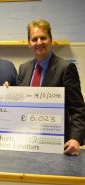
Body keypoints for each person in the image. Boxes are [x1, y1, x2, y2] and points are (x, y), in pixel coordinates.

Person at [18, 19, 85, 155]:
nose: (39, 42)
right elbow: (20, 105)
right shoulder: (23, 68)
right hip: (27, 142)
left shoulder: (65, 68)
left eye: (43, 38)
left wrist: (75, 139)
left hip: (57, 144)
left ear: (51, 39)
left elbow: (78, 108)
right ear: (29, 43)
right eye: (34, 39)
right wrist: (6, 92)